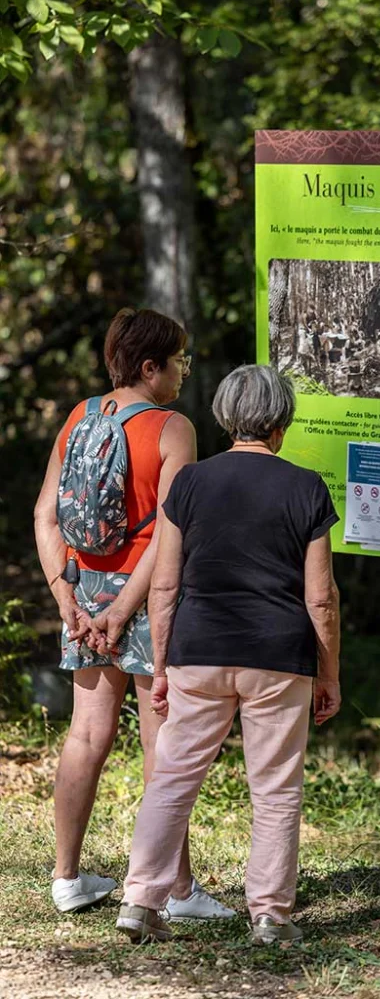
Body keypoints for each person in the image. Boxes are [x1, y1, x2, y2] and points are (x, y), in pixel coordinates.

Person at [116, 365, 341, 945]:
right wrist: (329, 673)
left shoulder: (188, 484)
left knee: (172, 778)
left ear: (225, 418)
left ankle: (140, 901)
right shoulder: (307, 487)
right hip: (278, 654)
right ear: (281, 424)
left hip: (200, 647)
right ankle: (269, 916)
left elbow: (164, 587)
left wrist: (161, 666)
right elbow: (321, 597)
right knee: (274, 789)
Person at [34, 307, 232, 922]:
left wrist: (67, 596)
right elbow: (171, 533)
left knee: (86, 733)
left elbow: (45, 515)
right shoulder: (174, 429)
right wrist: (126, 607)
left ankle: (66, 878)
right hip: (147, 598)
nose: (184, 372)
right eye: (180, 361)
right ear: (151, 366)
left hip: (83, 591)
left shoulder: (79, 418)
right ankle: (173, 891)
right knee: (160, 743)